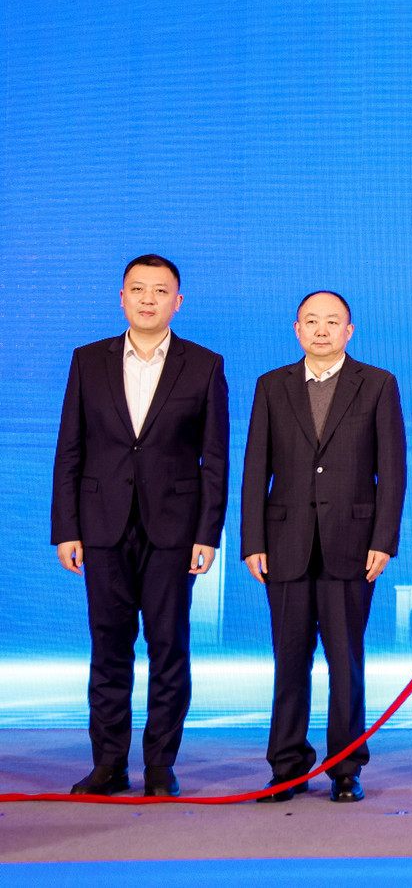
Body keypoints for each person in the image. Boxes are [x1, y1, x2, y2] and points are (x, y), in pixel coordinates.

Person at [51, 254, 228, 797]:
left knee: (168, 647)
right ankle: (108, 764)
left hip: (173, 530)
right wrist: (66, 528)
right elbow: (70, 448)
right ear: (122, 297)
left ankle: (159, 767)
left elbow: (215, 459)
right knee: (109, 648)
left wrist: (207, 534)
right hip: (101, 526)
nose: (148, 299)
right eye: (137, 289)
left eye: (160, 290)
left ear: (178, 301)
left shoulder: (204, 365)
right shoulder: (88, 361)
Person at [240, 291, 405, 803]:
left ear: (348, 331)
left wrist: (383, 540)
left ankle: (345, 767)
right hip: (284, 543)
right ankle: (286, 767)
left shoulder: (377, 384)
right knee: (289, 662)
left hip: (352, 545)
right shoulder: (272, 385)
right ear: (297, 329)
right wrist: (252, 541)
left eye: (332, 322)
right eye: (311, 321)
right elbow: (255, 467)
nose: (321, 330)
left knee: (345, 662)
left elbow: (392, 469)